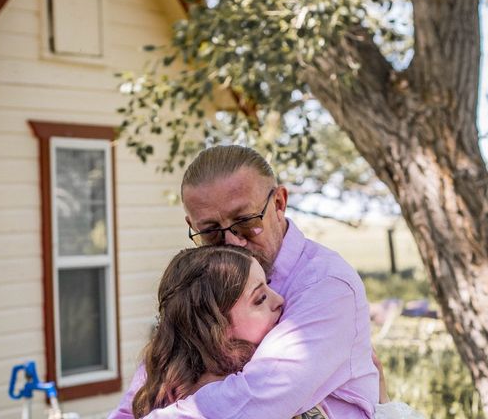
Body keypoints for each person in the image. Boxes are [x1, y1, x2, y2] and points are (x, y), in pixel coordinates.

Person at [110, 145, 379, 418]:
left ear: (279, 204)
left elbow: (257, 398)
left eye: (245, 222)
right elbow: (138, 400)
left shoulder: (325, 285)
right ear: (192, 224)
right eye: (211, 232)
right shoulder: (202, 284)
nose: (232, 242)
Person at [132, 245, 423, 419]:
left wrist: (380, 401)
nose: (280, 299)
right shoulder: (220, 398)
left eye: (269, 286)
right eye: (260, 298)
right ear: (215, 329)